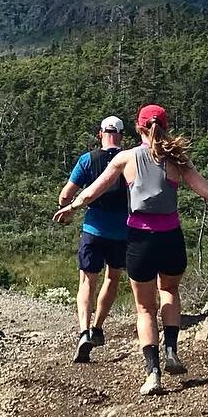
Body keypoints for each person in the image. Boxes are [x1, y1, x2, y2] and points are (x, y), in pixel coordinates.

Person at [54, 104, 208, 396]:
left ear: (139, 129)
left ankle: (153, 374)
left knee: (145, 308)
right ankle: (171, 351)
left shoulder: (125, 158)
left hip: (139, 240)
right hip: (171, 238)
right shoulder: (178, 160)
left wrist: (72, 207)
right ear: (165, 126)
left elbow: (92, 191)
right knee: (170, 292)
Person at [58, 115, 130, 364]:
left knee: (87, 281)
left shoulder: (87, 160)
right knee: (113, 276)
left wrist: (66, 206)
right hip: (122, 231)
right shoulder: (128, 160)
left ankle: (83, 331)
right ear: (121, 136)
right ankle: (98, 326)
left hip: (93, 230)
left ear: (100, 134)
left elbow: (66, 195)